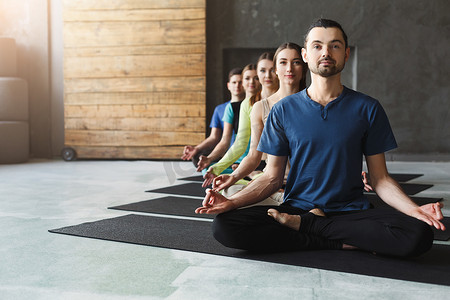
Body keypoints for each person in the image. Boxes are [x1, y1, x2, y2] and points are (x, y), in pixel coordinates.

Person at [195, 18, 445, 257]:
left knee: (418, 233)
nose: (326, 52)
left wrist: (414, 209)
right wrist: (232, 202)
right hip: (297, 207)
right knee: (225, 226)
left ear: (346, 54)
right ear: (306, 55)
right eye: (317, 46)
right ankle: (337, 238)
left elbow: (380, 179)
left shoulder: (367, 108)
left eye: (335, 46)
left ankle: (311, 228)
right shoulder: (283, 110)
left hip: (350, 211)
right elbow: (271, 178)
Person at [212, 43, 307, 204]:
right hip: (270, 182)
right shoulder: (260, 107)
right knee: (228, 192)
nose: (289, 68)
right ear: (276, 68)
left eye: (296, 62)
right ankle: (279, 199)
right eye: (283, 62)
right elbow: (253, 155)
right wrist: (233, 177)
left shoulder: (314, 104)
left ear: (304, 67)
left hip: (305, 185)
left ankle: (288, 203)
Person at [199, 53, 279, 187]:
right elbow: (240, 143)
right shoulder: (248, 103)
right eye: (263, 71)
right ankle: (252, 179)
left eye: (272, 70)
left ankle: (256, 180)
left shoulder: (286, 100)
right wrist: (218, 166)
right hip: (253, 161)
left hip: (277, 166)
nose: (267, 75)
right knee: (222, 185)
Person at [196, 64, 259, 174]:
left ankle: (248, 175)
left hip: (258, 161)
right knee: (209, 170)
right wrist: (209, 159)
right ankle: (245, 176)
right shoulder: (232, 108)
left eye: (256, 78)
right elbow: (224, 141)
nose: (251, 82)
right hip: (237, 160)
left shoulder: (266, 104)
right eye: (247, 78)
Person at [181, 68, 244, 166]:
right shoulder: (220, 109)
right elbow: (214, 137)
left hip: (241, 152)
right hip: (223, 150)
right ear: (228, 85)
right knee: (197, 156)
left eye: (240, 82)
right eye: (234, 82)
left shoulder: (249, 106)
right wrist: (196, 148)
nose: (237, 85)